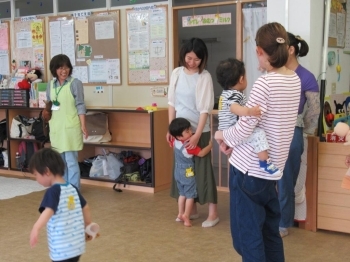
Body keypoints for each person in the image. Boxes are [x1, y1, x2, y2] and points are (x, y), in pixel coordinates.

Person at [214, 22, 301, 261]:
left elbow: (243, 129)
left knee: (248, 237)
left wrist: (222, 136)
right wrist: (232, 139)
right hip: (271, 171)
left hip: (247, 170)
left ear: (259, 51)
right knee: (269, 232)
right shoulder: (294, 80)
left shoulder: (264, 83)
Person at [166, 37, 219, 228]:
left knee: (203, 171)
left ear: (203, 59)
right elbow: (172, 103)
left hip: (198, 131)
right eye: (189, 58)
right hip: (180, 133)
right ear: (183, 56)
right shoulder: (176, 73)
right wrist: (170, 129)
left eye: (196, 59)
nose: (192, 63)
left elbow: (205, 109)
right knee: (184, 171)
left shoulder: (204, 77)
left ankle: (213, 213)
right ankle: (191, 210)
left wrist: (197, 135)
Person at [278, 32, 320, 237]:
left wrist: (306, 134)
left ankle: (283, 222)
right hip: (271, 132)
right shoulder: (273, 74)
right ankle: (272, 219)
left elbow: (313, 112)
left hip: (294, 133)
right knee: (268, 178)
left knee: (285, 180)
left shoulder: (306, 77)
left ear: (291, 49)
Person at [216, 58, 281, 176]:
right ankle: (265, 163)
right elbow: (233, 107)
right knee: (258, 134)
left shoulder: (224, 94)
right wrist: (249, 111)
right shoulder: (234, 94)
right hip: (231, 131)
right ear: (241, 79)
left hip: (225, 132)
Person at [29, 148, 92, 262]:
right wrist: (88, 226)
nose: (36, 179)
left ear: (46, 171)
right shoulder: (72, 188)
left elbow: (48, 211)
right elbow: (85, 207)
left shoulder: (53, 191)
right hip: (77, 246)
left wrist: (36, 227)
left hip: (62, 248)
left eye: (36, 175)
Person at [46, 54, 88, 190]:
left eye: (66, 67)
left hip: (71, 127)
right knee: (60, 163)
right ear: (54, 69)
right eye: (60, 68)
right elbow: (50, 104)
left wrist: (83, 125)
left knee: (71, 162)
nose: (64, 71)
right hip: (56, 127)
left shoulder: (75, 83)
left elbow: (80, 105)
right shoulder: (50, 84)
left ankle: (74, 190)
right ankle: (64, 189)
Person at [168, 117, 212, 227]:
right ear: (179, 136)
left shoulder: (174, 141)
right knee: (190, 195)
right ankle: (186, 215)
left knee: (182, 194)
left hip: (177, 171)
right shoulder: (189, 145)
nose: (191, 132)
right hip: (188, 172)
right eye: (187, 131)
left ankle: (180, 214)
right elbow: (201, 153)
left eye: (190, 129)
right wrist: (210, 145)